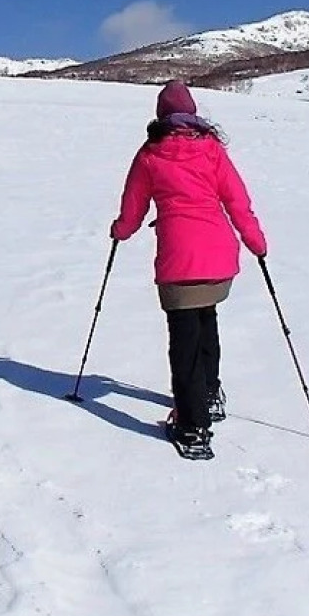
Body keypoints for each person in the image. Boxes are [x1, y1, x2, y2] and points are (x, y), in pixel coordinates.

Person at [109, 80, 267, 456]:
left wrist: (120, 231)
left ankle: (192, 426)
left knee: (184, 342)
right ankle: (209, 394)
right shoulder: (212, 149)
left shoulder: (150, 154)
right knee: (206, 320)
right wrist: (256, 241)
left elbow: (133, 210)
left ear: (161, 116)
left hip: (179, 260)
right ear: (192, 113)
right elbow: (238, 201)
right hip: (218, 256)